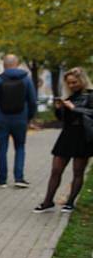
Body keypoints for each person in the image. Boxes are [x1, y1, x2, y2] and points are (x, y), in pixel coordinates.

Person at [34, 67, 93, 213]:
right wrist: (59, 109)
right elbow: (63, 119)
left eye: (74, 82)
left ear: (82, 80)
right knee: (56, 170)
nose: (72, 85)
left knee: (78, 171)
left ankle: (70, 202)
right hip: (67, 135)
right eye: (69, 83)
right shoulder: (70, 97)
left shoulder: (90, 95)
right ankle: (48, 201)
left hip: (84, 136)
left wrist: (74, 108)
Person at [0, 54, 37, 188]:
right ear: (17, 63)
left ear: (4, 64)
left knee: (2, 148)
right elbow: (32, 100)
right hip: (21, 119)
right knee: (20, 147)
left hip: (2, 119)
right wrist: (29, 117)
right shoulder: (26, 79)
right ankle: (19, 178)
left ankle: (2, 179)